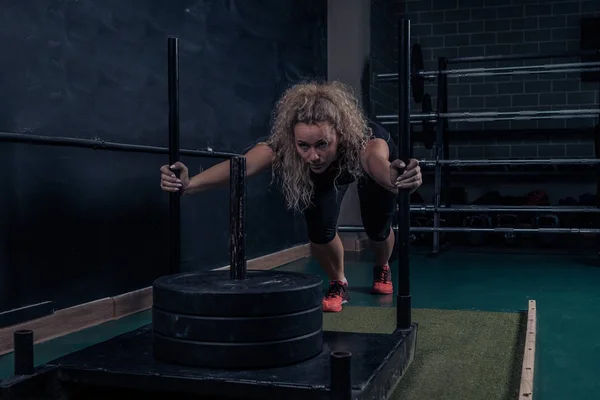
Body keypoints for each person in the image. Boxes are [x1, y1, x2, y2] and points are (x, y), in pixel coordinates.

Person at [159, 80, 422, 312]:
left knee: (377, 228)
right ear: (293, 140)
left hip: (367, 168)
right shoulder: (286, 147)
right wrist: (189, 184)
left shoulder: (365, 141)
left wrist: (396, 179)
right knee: (319, 231)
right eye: (303, 146)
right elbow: (243, 166)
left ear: (339, 135)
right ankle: (338, 282)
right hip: (325, 177)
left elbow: (376, 162)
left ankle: (382, 265)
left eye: (322, 144)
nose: (313, 156)